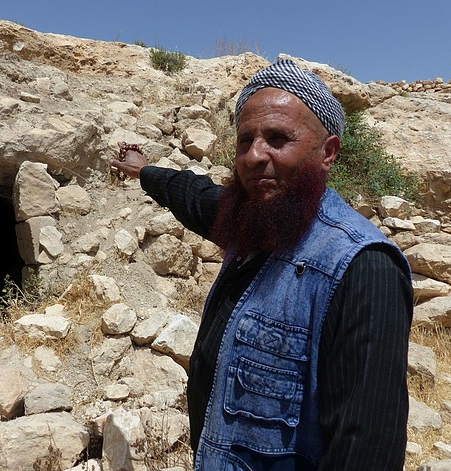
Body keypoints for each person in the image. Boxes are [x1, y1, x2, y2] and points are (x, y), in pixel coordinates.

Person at [111, 59, 413, 471]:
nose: (254, 155)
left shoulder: (363, 268)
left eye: (277, 138)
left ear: (328, 152)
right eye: (245, 140)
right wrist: (143, 171)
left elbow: (366, 453)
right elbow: (194, 196)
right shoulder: (255, 220)